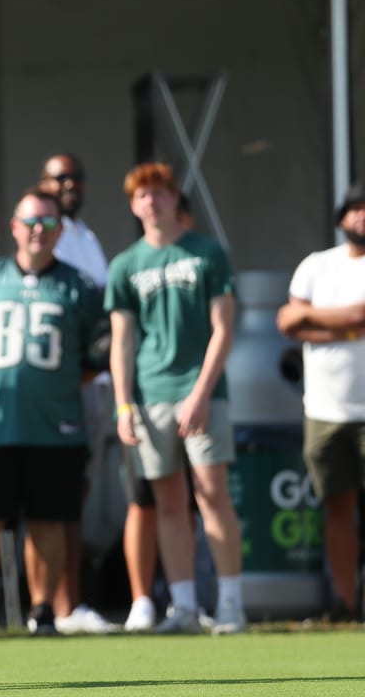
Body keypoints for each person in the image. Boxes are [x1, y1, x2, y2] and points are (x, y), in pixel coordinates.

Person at [0, 189, 106, 638]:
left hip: (56, 427)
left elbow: (95, 357)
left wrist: (52, 387)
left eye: (48, 223)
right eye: (30, 222)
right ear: (14, 226)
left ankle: (43, 610)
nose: (38, 231)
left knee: (48, 521)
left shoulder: (79, 285)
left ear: (60, 231)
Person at [106, 162, 246, 635]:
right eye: (142, 195)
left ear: (174, 198)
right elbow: (122, 341)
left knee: (212, 496)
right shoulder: (125, 264)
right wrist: (123, 405)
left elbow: (224, 328)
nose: (152, 201)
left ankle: (230, 603)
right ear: (133, 204)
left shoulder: (207, 254)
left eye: (160, 192)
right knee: (167, 503)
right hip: (150, 396)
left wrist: (202, 392)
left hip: (202, 392)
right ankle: (183, 605)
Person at [29, 154, 119, 634]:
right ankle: (56, 607)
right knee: (52, 497)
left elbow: (99, 319)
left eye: (76, 177)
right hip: (54, 388)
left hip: (93, 385)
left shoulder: (86, 238)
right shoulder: (41, 233)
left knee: (78, 495)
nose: (69, 185)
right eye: (58, 177)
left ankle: (70, 605)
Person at [276, 183, 365, 622]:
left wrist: (317, 318)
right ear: (341, 217)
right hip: (326, 410)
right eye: (356, 209)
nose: (363, 216)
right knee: (337, 508)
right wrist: (348, 325)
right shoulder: (317, 266)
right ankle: (345, 605)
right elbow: (288, 320)